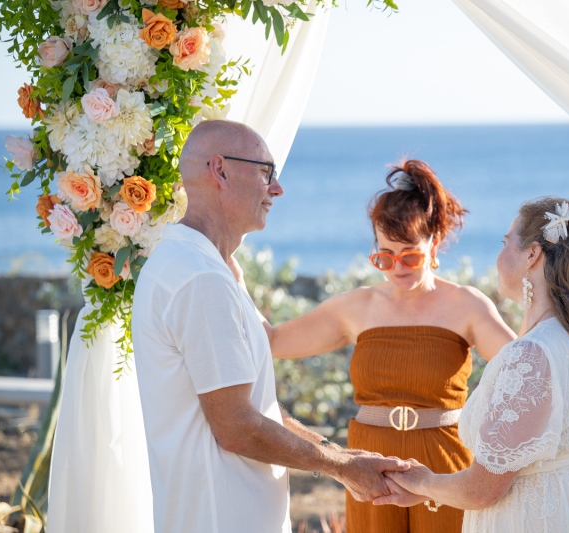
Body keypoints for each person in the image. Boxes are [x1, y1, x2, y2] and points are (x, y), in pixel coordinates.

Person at [132, 120, 409, 533]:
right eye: (266, 171)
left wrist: (346, 458)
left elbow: (256, 405)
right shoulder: (200, 279)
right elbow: (237, 427)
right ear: (220, 170)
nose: (277, 188)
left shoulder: (195, 265)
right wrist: (341, 469)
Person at [262, 160, 516, 532]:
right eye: (384, 256)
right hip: (369, 460)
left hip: (443, 458)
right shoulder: (357, 307)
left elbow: (526, 368)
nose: (397, 267)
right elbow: (273, 340)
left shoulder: (467, 305)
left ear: (433, 243)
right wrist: (228, 274)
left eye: (409, 255)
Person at [374, 197, 569, 532]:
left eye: (505, 242)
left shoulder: (531, 355)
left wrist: (424, 483)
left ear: (531, 255)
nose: (498, 256)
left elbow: (483, 489)